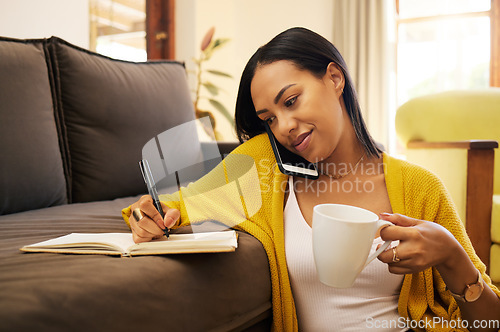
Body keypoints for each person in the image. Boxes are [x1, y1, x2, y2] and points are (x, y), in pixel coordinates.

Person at [122, 27, 500, 331]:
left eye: (291, 101)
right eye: (268, 118)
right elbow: (174, 206)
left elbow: (490, 320)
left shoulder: (420, 187)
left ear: (334, 78)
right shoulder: (264, 168)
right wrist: (148, 216)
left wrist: (453, 258)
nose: (283, 127)